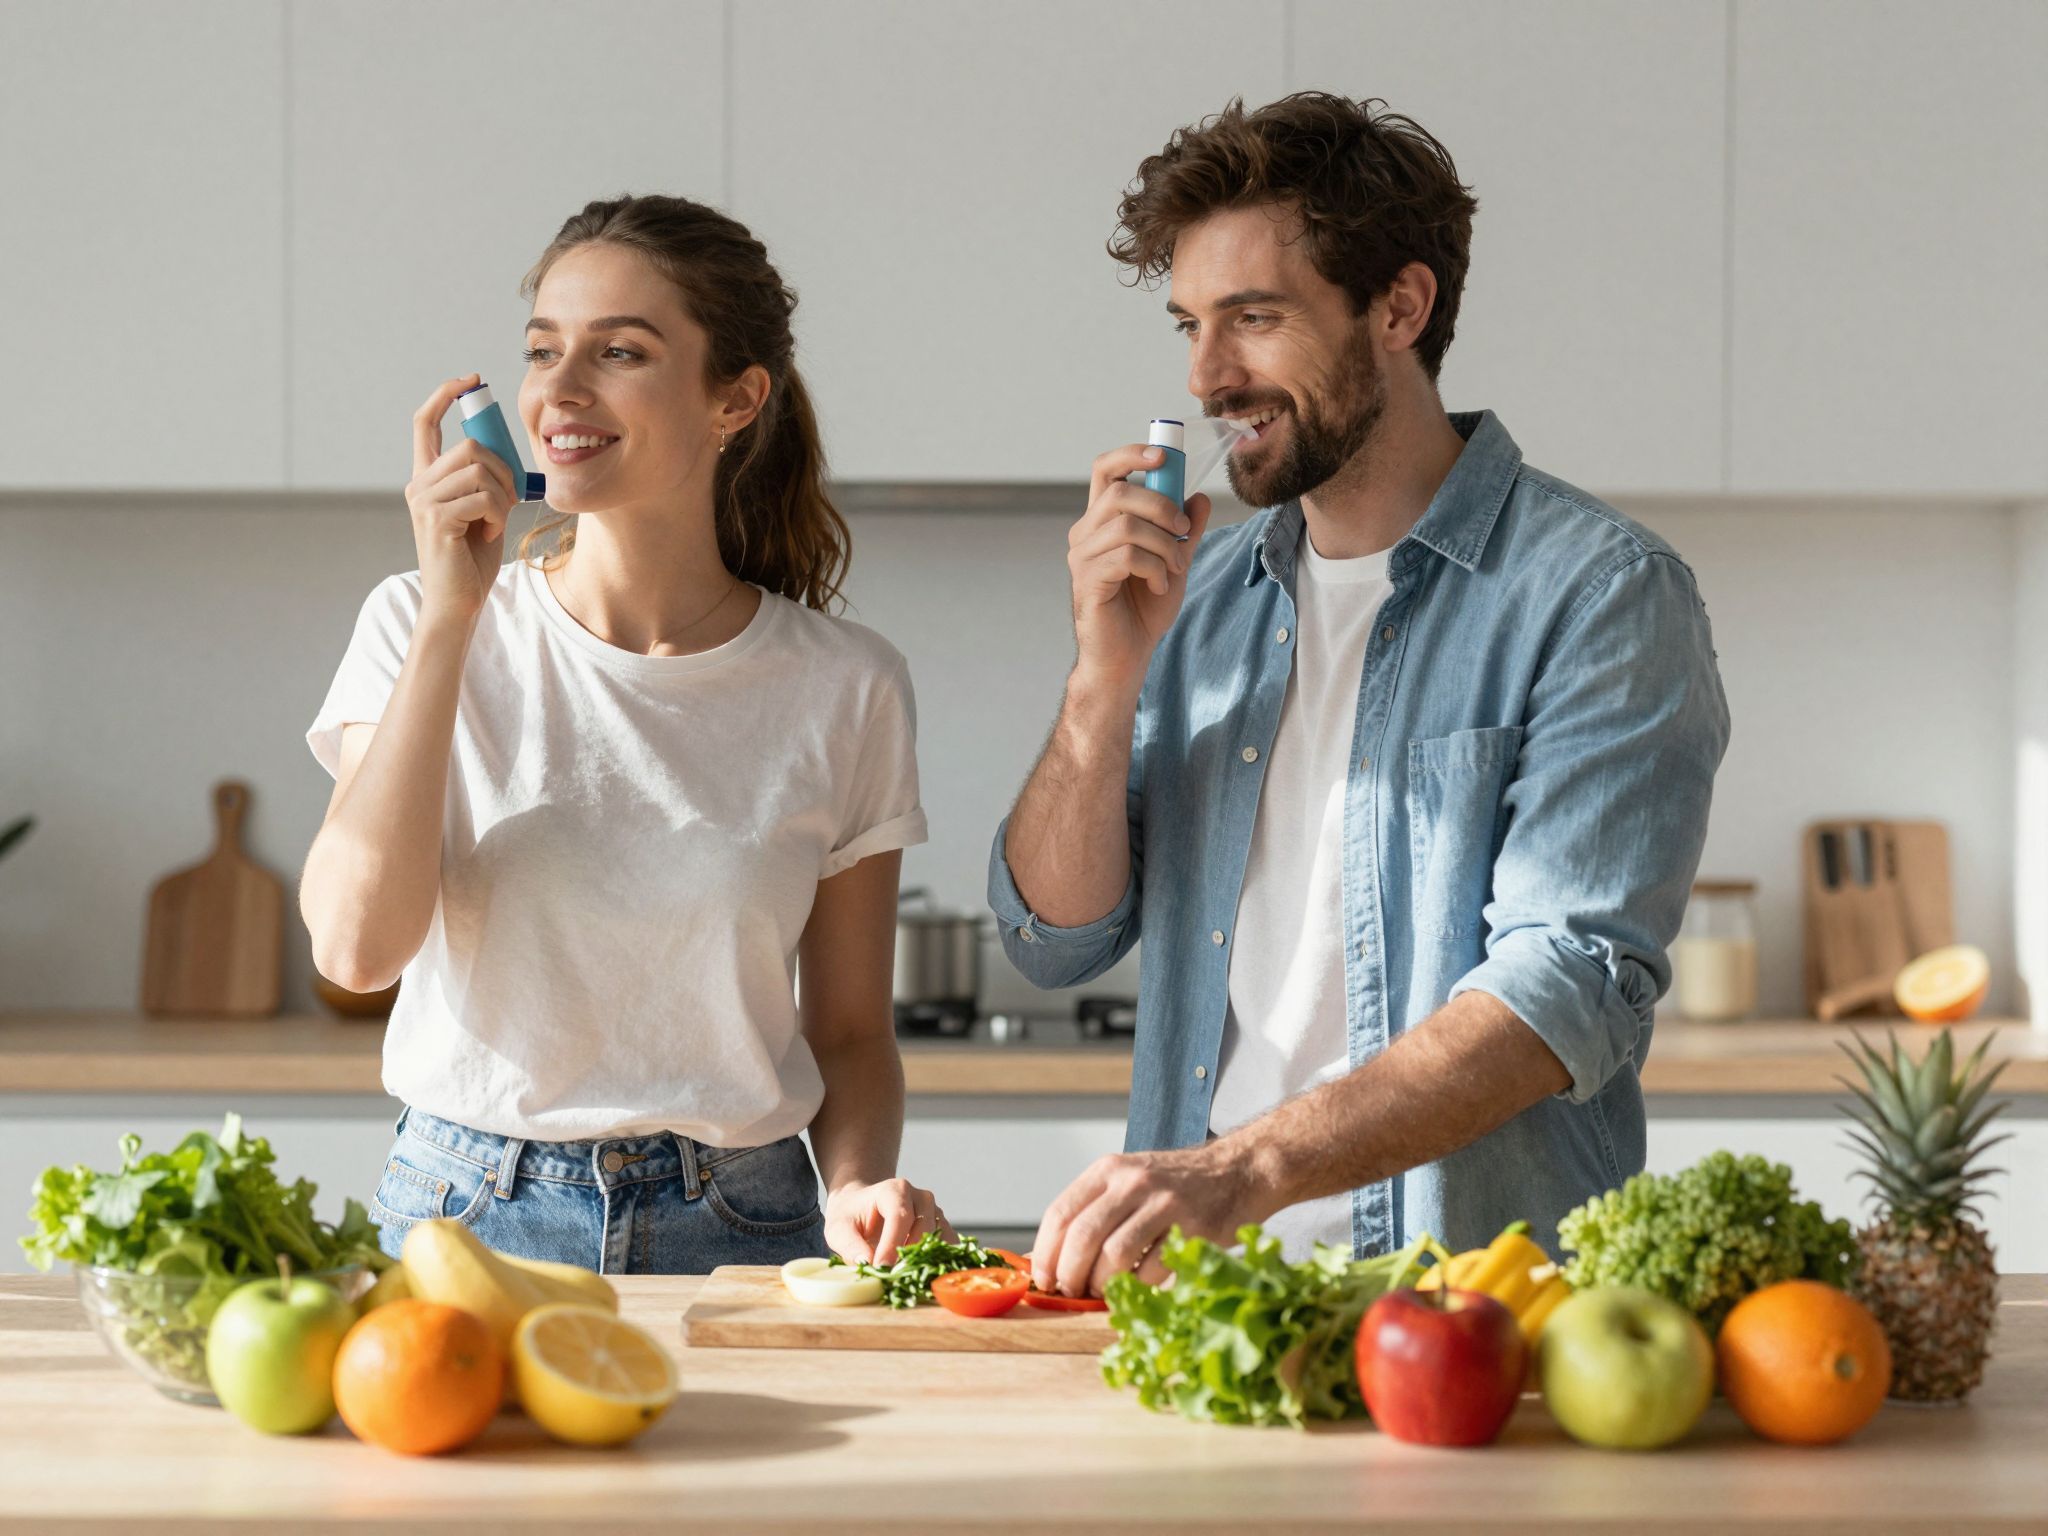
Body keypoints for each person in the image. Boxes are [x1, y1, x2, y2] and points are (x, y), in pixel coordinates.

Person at [991, 94, 1731, 1297]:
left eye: (1255, 318)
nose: (1207, 374)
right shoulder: (1203, 594)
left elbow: (1563, 987)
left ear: (1399, 305)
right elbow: (1053, 939)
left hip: (1462, 1310)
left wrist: (1242, 1169)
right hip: (1202, 1306)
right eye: (1190, 324)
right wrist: (1100, 679)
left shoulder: (1597, 594)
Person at [303, 194, 949, 1274]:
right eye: (543, 350)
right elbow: (356, 950)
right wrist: (451, 616)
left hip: (746, 1225)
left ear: (735, 400)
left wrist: (853, 1190)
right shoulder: (418, 620)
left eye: (620, 352)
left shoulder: (847, 686)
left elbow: (847, 1034)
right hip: (464, 1220)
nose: (559, 390)